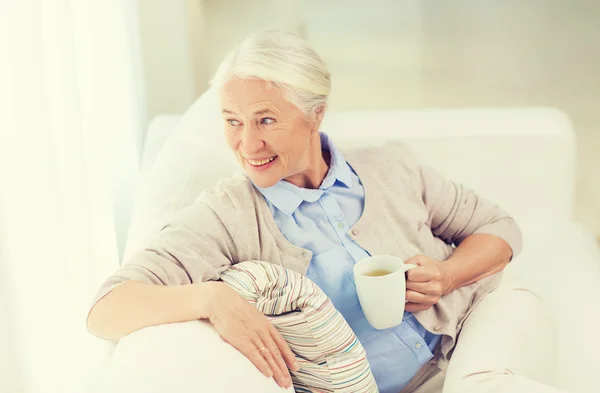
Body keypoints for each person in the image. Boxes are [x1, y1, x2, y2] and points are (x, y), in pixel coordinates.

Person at [87, 30, 565, 393]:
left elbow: (499, 230)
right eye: (233, 122)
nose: (247, 144)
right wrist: (211, 300)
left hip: (466, 341)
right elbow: (107, 309)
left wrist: (448, 274)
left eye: (266, 120)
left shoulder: (390, 167)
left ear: (315, 113)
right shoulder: (227, 214)